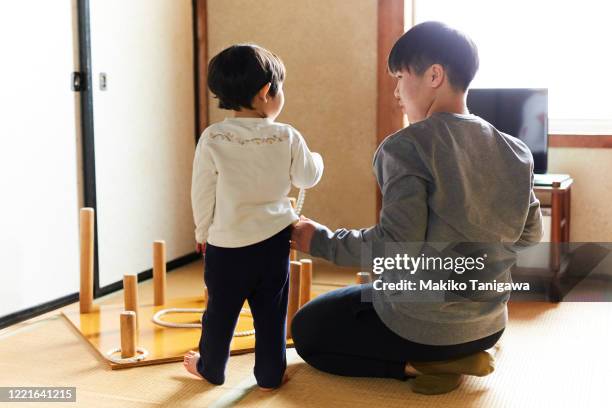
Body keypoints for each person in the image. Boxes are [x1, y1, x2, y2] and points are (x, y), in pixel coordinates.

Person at [290, 21, 542, 395]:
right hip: (490, 323)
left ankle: (419, 364)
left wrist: (319, 240)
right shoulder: (515, 150)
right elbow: (530, 234)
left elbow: (396, 247)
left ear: (434, 75)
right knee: (362, 297)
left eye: (400, 77)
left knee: (306, 329)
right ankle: (459, 354)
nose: (396, 92)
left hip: (424, 328)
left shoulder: (405, 146)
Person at [183, 44, 324, 390]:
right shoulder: (287, 135)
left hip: (225, 245)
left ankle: (212, 366)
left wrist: (203, 231)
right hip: (272, 244)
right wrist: (317, 158)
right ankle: (270, 373)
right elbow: (307, 177)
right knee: (270, 312)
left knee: (219, 313)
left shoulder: (213, 137)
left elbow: (202, 192)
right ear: (266, 92)